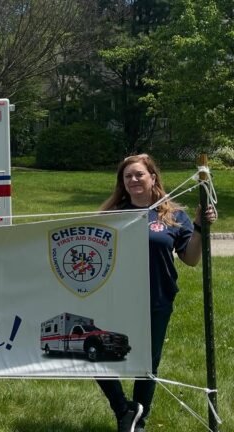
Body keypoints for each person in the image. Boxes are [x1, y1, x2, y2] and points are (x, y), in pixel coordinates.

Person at [97, 154, 217, 432]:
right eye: (128, 176)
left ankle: (137, 423)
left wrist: (200, 227)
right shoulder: (112, 216)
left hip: (157, 298)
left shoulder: (173, 215)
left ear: (153, 178)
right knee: (97, 354)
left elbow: (190, 259)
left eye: (139, 174)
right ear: (122, 182)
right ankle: (123, 410)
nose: (133, 179)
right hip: (116, 298)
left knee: (146, 363)